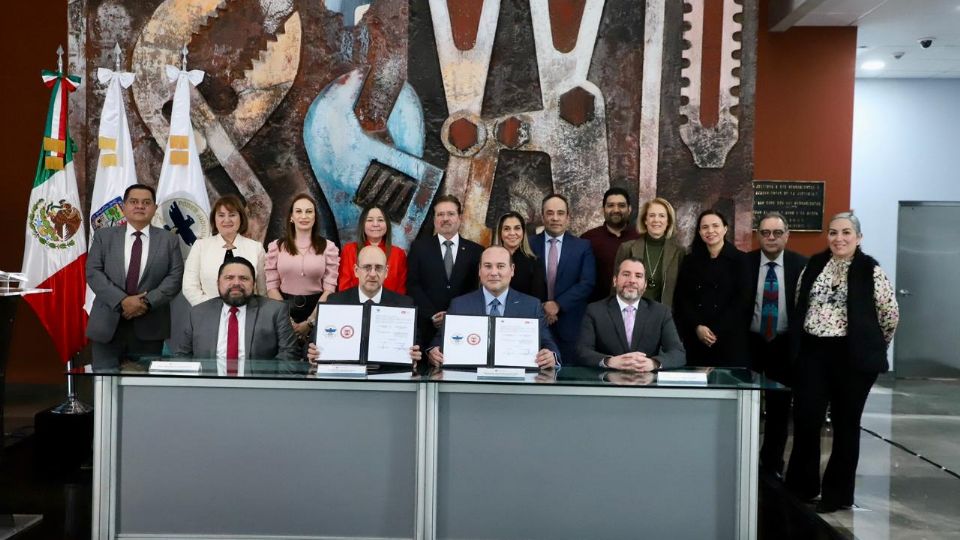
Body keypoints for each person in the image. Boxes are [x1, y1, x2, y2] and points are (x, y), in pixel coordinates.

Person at [785, 212, 899, 514]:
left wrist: (874, 347)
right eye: (833, 232)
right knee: (807, 420)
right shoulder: (814, 265)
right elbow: (800, 303)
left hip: (853, 359)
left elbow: (890, 316)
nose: (839, 238)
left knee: (846, 425)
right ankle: (802, 487)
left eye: (846, 232)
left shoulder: (870, 271)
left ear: (858, 237)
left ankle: (837, 495)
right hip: (813, 353)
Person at [86, 184, 184, 368]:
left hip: (150, 325)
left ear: (154, 208)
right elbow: (93, 272)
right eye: (134, 202)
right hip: (107, 323)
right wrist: (122, 300)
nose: (140, 206)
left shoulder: (168, 240)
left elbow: (175, 277)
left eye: (146, 202)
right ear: (123, 207)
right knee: (105, 386)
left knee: (145, 390)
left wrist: (145, 302)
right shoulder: (104, 236)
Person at [426, 246, 559, 370]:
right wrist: (433, 353)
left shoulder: (531, 306)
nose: (494, 272)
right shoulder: (459, 305)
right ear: (479, 270)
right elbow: (438, 342)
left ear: (512, 270)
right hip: (470, 384)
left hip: (516, 386)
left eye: (500, 266)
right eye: (487, 266)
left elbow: (548, 343)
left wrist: (551, 356)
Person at [746, 212, 808, 478]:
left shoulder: (802, 265)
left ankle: (771, 465)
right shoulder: (744, 263)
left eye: (777, 233)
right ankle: (744, 460)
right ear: (758, 234)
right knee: (746, 405)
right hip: (749, 343)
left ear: (787, 234)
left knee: (779, 409)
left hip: (784, 345)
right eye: (765, 232)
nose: (771, 238)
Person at [308, 245, 421, 364]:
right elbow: (312, 344)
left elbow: (416, 345)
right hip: (346, 377)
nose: (372, 274)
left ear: (386, 272)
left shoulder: (403, 305)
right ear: (356, 271)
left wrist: (414, 354)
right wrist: (313, 353)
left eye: (378, 268)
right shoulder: (335, 302)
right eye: (367, 267)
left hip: (386, 377)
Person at [177, 257, 299, 363]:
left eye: (244, 278)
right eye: (229, 278)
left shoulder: (275, 311)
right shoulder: (198, 313)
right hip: (209, 386)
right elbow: (183, 356)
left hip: (258, 386)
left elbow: (289, 354)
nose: (236, 283)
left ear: (254, 284)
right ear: (218, 283)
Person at [673, 209, 752, 367]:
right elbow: (682, 299)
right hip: (696, 339)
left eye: (715, 226)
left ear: (725, 228)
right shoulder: (690, 261)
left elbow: (743, 300)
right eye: (705, 227)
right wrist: (697, 327)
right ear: (700, 232)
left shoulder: (741, 260)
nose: (710, 231)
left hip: (730, 339)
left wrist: (716, 330)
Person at [578, 257, 685, 371]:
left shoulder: (661, 312)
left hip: (646, 383)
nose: (632, 280)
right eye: (626, 274)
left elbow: (678, 353)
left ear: (645, 285)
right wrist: (609, 361)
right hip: (607, 382)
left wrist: (653, 363)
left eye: (638, 276)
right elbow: (582, 351)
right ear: (615, 280)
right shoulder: (595, 310)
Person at [406, 194, 483, 348]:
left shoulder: (476, 251)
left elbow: (475, 289)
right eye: (440, 214)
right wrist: (432, 315)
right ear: (434, 219)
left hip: (463, 328)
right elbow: (413, 285)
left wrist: (453, 314)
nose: (445, 218)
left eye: (450, 214)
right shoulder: (419, 248)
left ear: (460, 217)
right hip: (426, 327)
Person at [530, 193, 596, 365]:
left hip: (570, 324)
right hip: (534, 323)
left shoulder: (582, 246)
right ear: (542, 216)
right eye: (550, 213)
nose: (555, 218)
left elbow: (587, 283)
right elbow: (522, 283)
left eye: (560, 213)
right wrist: (543, 306)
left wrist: (557, 305)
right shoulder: (529, 245)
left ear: (568, 217)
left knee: (568, 375)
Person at [264, 194, 340, 341]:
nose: (304, 216)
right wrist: (288, 321)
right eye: (298, 211)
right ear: (291, 217)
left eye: (309, 211)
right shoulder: (276, 247)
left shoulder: (328, 248)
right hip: (283, 311)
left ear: (315, 217)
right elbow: (271, 287)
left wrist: (310, 322)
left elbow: (329, 290)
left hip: (317, 312)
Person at [182, 194, 266, 306]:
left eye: (232, 215)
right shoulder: (200, 246)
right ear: (214, 219)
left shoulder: (256, 248)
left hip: (249, 313)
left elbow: (263, 290)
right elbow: (190, 287)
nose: (227, 220)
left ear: (241, 218)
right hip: (209, 312)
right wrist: (215, 309)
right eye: (221, 215)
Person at [614, 197, 685, 307]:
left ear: (668, 221)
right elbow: (616, 287)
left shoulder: (679, 252)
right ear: (645, 220)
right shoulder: (626, 248)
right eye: (652, 215)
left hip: (664, 317)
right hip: (631, 315)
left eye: (662, 216)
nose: (656, 220)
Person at [580, 187, 641, 302]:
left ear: (629, 209)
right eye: (610, 205)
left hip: (633, 306)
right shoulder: (588, 239)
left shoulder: (640, 238)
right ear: (603, 209)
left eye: (621, 205)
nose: (616, 209)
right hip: (597, 307)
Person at [338, 204, 407, 294]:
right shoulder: (349, 250)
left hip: (389, 306)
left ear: (387, 224)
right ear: (363, 224)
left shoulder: (398, 254)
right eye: (370, 220)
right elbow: (344, 287)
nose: (375, 224)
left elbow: (401, 291)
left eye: (380, 220)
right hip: (354, 305)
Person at [493, 211, 546, 301]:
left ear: (523, 232)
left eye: (517, 228)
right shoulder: (490, 260)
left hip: (523, 313)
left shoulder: (535, 263)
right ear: (500, 232)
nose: (512, 233)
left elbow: (537, 300)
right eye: (506, 229)